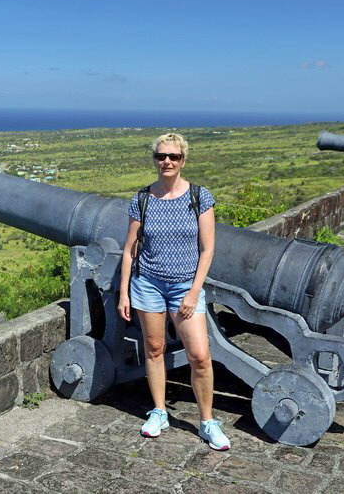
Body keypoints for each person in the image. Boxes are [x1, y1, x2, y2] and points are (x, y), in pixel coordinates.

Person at [117, 132, 230, 451]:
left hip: (185, 286)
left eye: (174, 157)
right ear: (154, 159)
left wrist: (194, 292)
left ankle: (207, 421)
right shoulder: (142, 199)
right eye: (161, 156)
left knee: (200, 356)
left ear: (183, 160)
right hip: (148, 284)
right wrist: (124, 293)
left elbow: (207, 249)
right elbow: (129, 250)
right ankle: (159, 412)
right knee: (154, 349)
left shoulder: (199, 197)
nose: (167, 161)